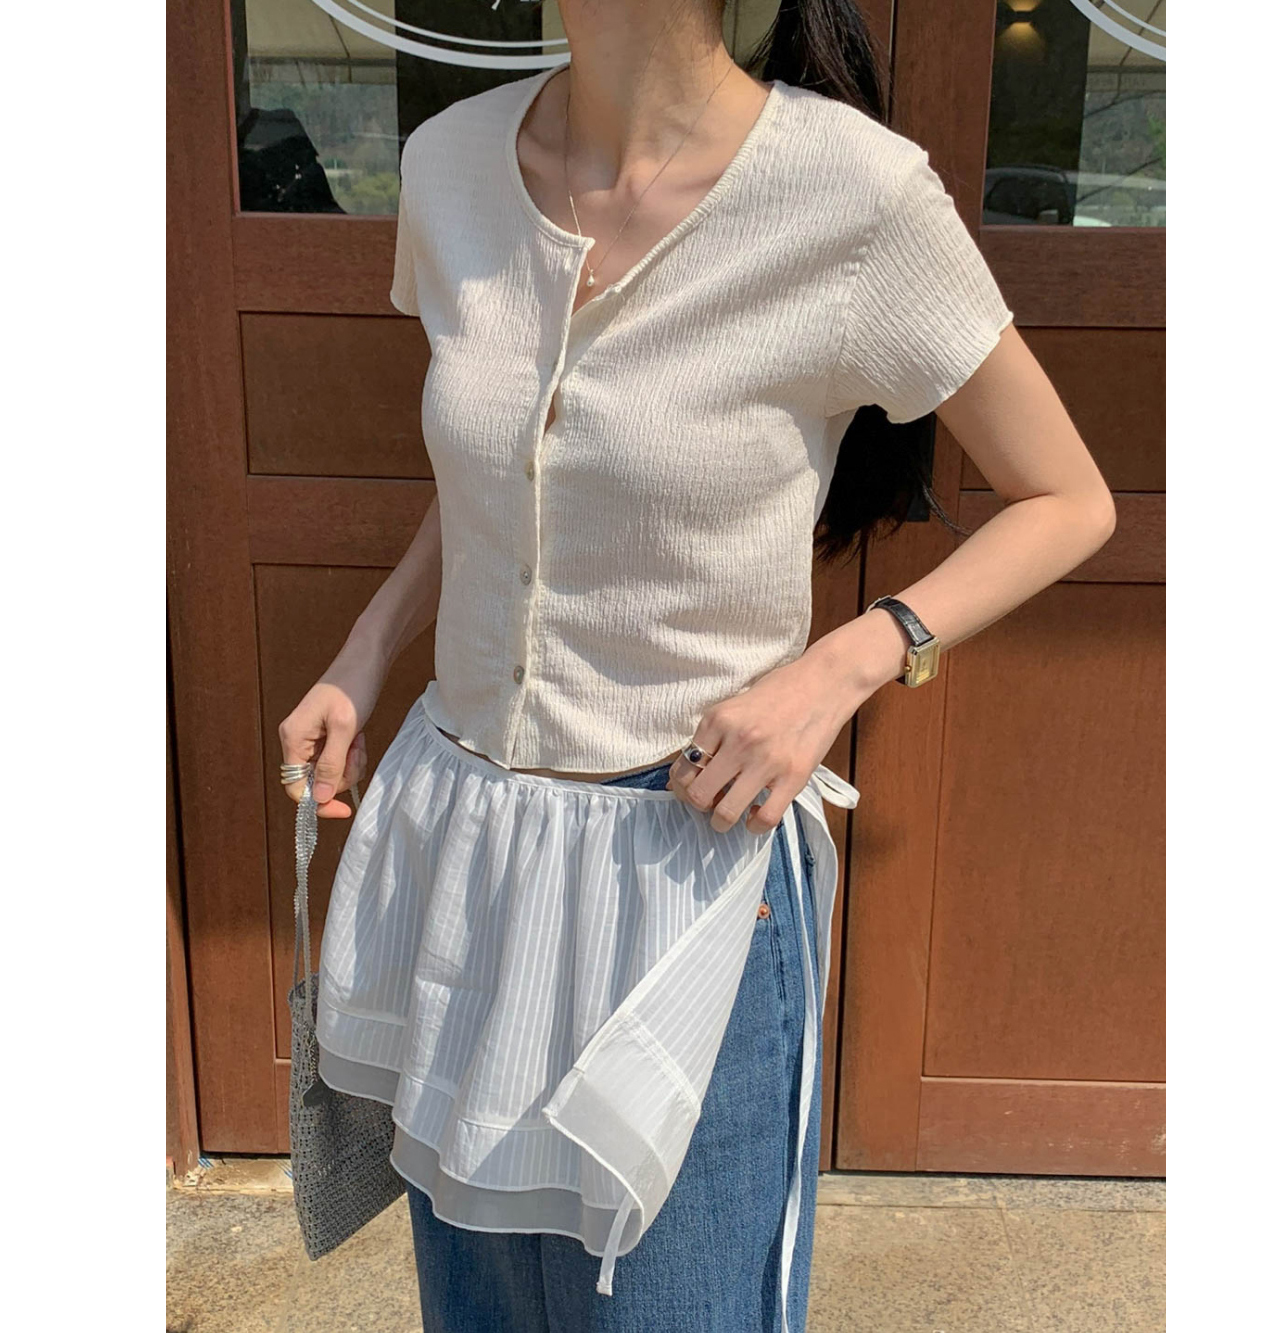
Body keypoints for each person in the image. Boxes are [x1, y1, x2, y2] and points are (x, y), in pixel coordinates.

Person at [277, 2, 1116, 1329]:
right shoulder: (449, 166)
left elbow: (1067, 498)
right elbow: (511, 471)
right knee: (479, 1309)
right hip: (465, 846)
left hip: (687, 868)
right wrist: (362, 656)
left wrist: (844, 665)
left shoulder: (854, 196)